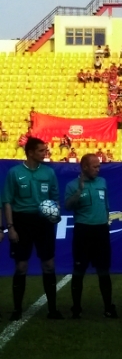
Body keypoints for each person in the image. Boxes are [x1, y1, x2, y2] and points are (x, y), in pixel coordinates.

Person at [3, 137, 62, 320]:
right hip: (21, 222)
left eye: (45, 150)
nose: (45, 153)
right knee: (21, 266)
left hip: (43, 222)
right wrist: (10, 227)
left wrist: (54, 212)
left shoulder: (49, 173)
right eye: (41, 150)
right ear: (30, 152)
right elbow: (7, 202)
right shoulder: (14, 172)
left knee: (49, 264)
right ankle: (17, 310)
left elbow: (55, 198)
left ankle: (52, 310)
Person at [64, 154, 117, 319]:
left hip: (101, 230)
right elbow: (67, 206)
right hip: (83, 231)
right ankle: (76, 308)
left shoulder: (102, 182)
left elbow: (106, 205)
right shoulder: (72, 185)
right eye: (95, 167)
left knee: (104, 270)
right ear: (84, 167)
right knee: (79, 270)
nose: (98, 170)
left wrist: (105, 221)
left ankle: (109, 307)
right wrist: (79, 191)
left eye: (99, 167)